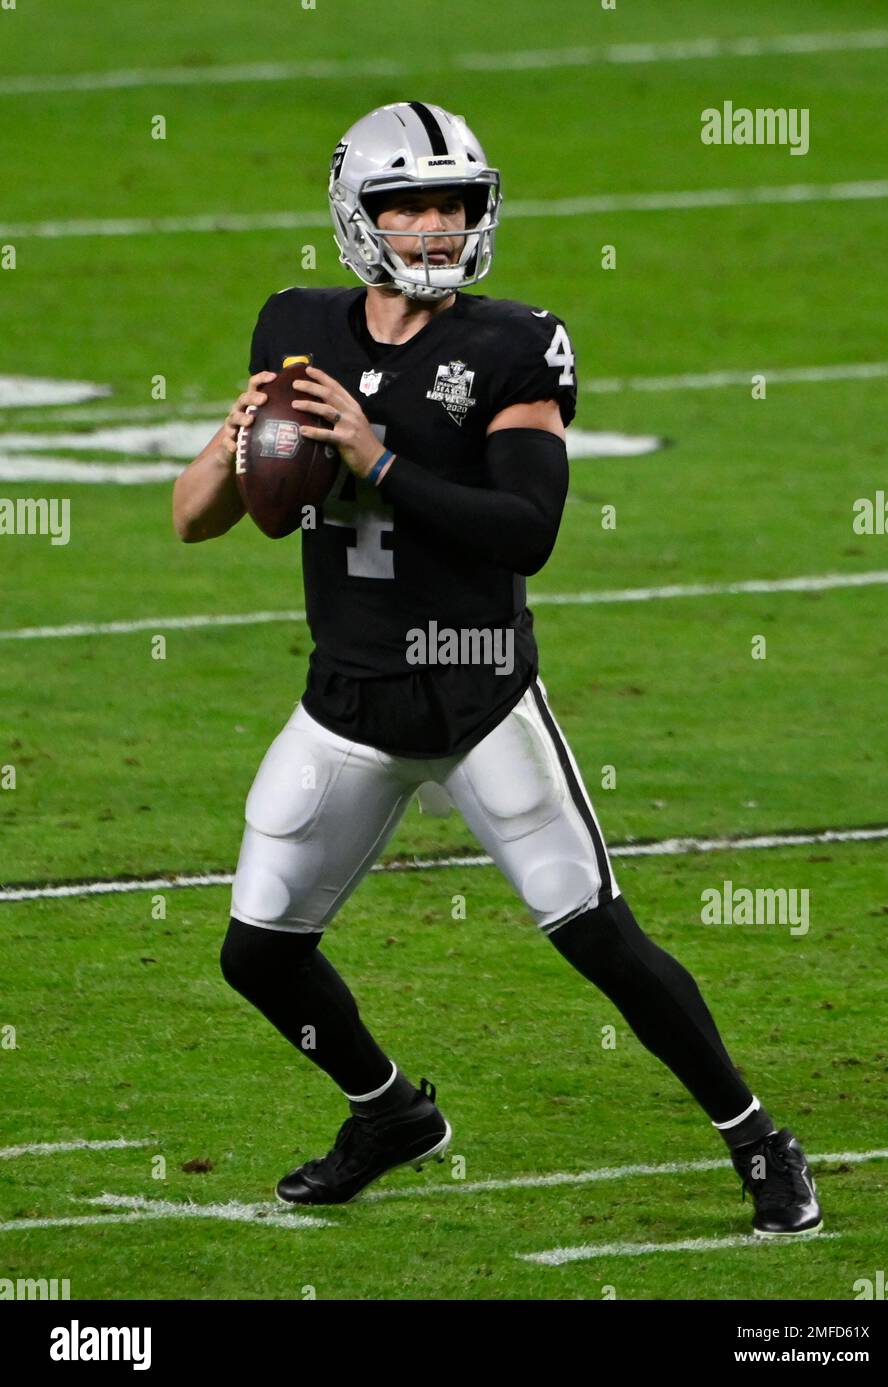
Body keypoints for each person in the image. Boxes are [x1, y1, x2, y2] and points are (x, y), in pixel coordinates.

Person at [172, 101, 823, 1238]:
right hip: (350, 698)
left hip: (476, 694)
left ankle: (758, 1136)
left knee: (596, 934)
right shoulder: (296, 325)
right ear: (357, 214)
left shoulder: (511, 345)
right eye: (407, 205)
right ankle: (389, 1114)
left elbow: (526, 528)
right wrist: (244, 446)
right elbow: (195, 519)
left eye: (453, 204)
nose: (432, 227)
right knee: (258, 951)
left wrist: (375, 459)